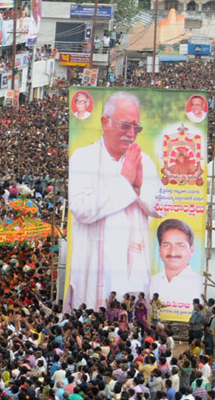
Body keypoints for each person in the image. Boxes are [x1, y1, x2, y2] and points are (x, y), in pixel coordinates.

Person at [66, 91, 163, 310]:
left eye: (136, 128)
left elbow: (161, 207)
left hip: (134, 271)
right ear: (105, 122)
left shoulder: (144, 160)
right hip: (94, 276)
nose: (131, 134)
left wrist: (137, 187)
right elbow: (81, 209)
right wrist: (124, 183)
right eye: (125, 126)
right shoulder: (84, 158)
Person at [148, 219, 202, 310]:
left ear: (191, 250)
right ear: (159, 249)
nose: (172, 252)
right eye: (167, 245)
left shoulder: (200, 284)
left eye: (180, 245)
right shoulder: (151, 282)